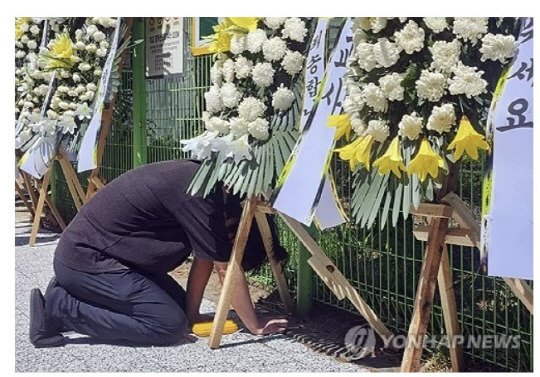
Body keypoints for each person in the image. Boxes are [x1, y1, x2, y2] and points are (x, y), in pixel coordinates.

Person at [29, 159, 289, 348]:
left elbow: (206, 259)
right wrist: (254, 325)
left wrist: (194, 313)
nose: (230, 248)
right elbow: (225, 269)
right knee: (166, 325)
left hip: (100, 258)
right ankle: (59, 308)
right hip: (88, 260)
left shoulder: (206, 183)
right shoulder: (201, 200)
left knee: (180, 311)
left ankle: (78, 290)